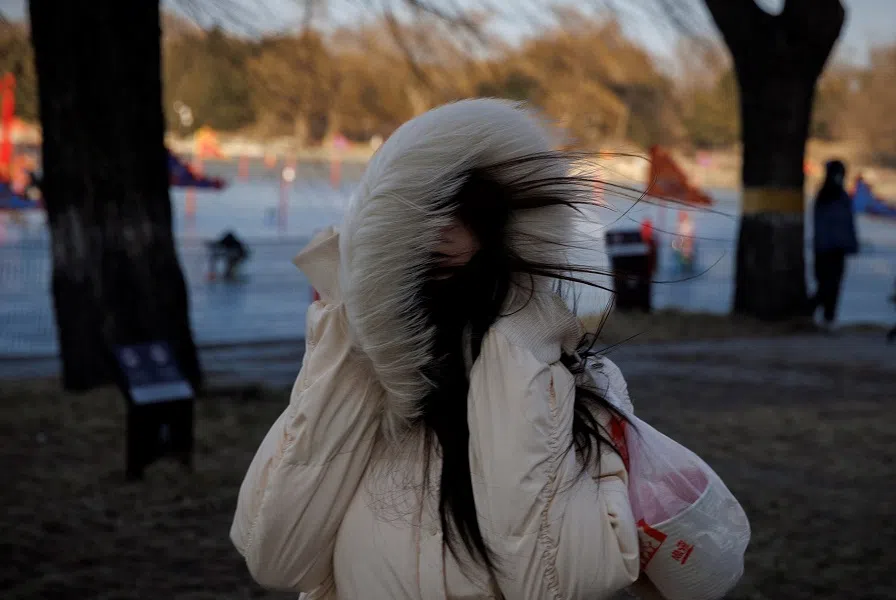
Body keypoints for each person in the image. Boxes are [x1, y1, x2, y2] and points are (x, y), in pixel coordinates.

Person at [230, 100, 661, 599]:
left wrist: (516, 353)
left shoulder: (577, 388)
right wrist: (355, 339)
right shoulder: (355, 377)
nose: (436, 231)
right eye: (414, 213)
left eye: (460, 210)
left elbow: (552, 586)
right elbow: (275, 557)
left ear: (499, 225)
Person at [809, 160, 858, 331]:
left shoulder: (841, 196)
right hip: (825, 249)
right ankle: (811, 311)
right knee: (826, 285)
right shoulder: (824, 196)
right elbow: (822, 225)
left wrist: (851, 243)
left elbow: (848, 223)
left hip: (838, 249)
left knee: (834, 285)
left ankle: (828, 318)